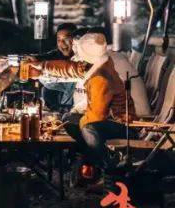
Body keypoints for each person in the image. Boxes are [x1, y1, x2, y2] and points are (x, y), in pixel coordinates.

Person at [26, 32, 137, 184]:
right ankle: (87, 165)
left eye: (79, 49)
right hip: (109, 121)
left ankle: (107, 169)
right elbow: (70, 68)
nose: (75, 52)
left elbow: (96, 117)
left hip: (122, 125)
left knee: (87, 128)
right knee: (71, 121)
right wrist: (42, 66)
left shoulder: (100, 78)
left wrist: (65, 122)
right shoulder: (99, 63)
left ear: (87, 53)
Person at [33, 23, 79, 112]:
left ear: (75, 40)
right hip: (58, 103)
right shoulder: (56, 54)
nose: (62, 43)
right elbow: (39, 58)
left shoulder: (82, 57)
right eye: (59, 40)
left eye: (65, 39)